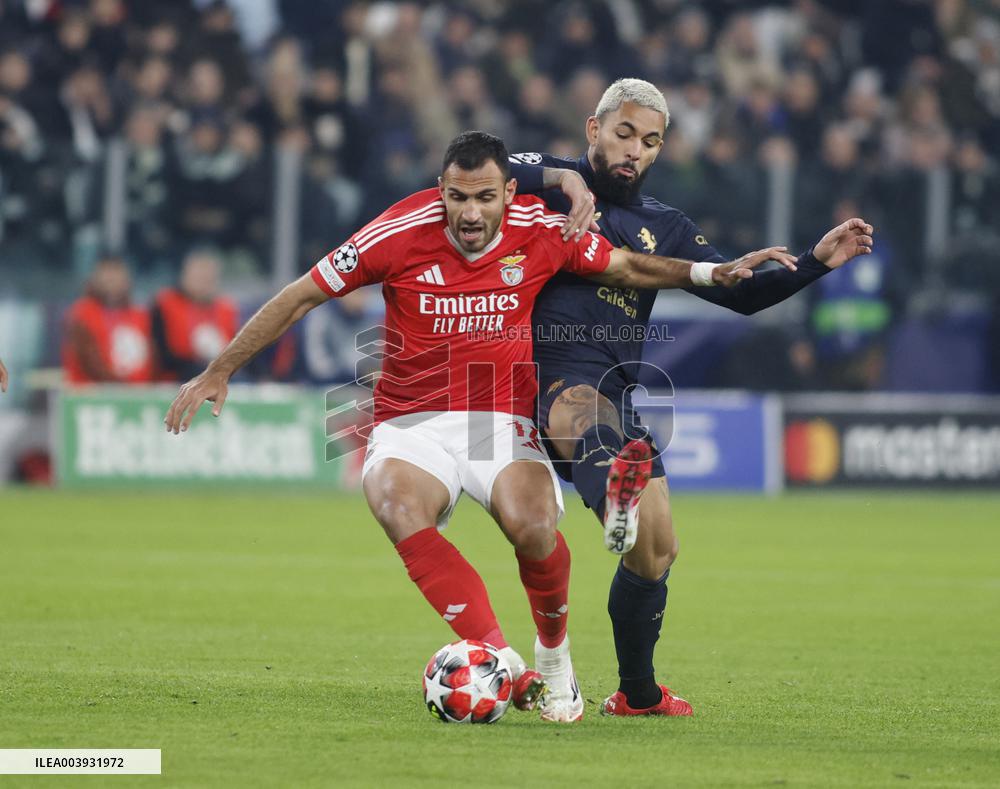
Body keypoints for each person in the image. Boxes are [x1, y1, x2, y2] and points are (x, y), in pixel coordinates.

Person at [164, 130, 796, 723]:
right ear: (440, 191)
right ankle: (506, 663)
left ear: (509, 193)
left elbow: (625, 267)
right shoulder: (396, 231)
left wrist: (708, 272)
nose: (469, 214)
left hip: (499, 417)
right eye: (457, 198)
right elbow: (302, 292)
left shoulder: (541, 228)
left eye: (485, 198)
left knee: (533, 525)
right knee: (395, 503)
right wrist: (220, 370)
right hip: (411, 419)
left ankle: (555, 660)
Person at [508, 78, 874, 717]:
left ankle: (637, 694)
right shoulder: (548, 186)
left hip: (617, 389)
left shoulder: (666, 226)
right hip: (544, 373)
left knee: (656, 551)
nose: (635, 151)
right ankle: (613, 493)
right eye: (624, 133)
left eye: (650, 142)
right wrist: (564, 179)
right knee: (583, 411)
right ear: (594, 129)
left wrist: (814, 262)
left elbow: (739, 292)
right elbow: (480, 168)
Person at [62, 256, 154, 384]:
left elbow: (151, 358)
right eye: (107, 275)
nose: (112, 280)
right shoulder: (81, 313)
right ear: (95, 279)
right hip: (94, 392)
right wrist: (121, 386)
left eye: (117, 274)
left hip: (140, 392)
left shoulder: (141, 315)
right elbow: (90, 363)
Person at [151, 249, 239, 381]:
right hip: (178, 378)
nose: (203, 282)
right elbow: (161, 355)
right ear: (184, 275)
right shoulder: (165, 304)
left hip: (222, 376)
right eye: (199, 276)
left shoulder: (226, 309)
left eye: (208, 278)